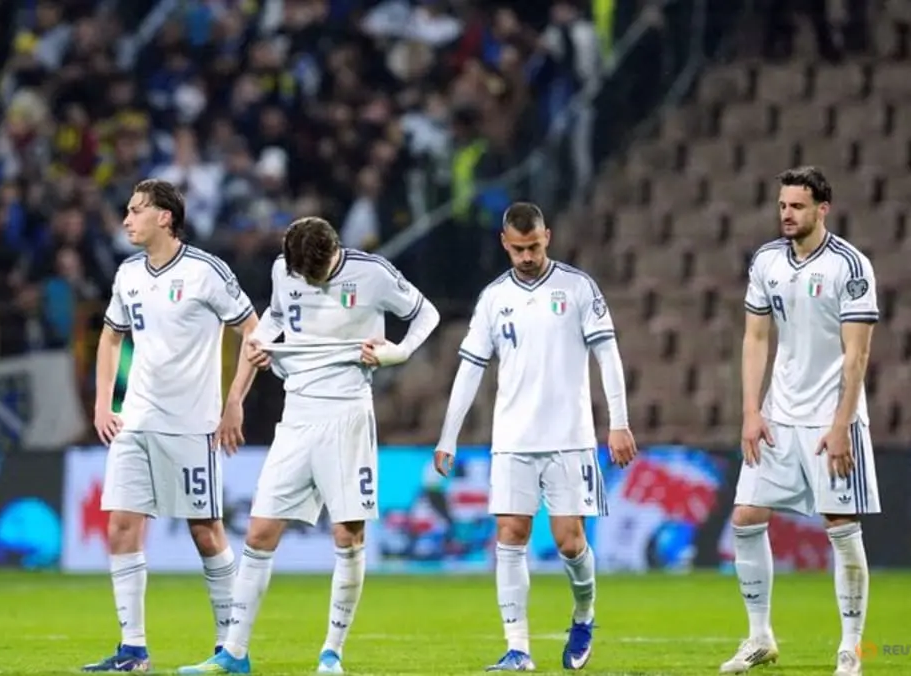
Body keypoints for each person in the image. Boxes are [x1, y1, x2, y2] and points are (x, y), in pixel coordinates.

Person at [178, 217, 440, 675]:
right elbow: (276, 319)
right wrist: (258, 352)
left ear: (333, 252)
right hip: (296, 415)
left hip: (347, 417)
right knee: (259, 533)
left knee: (348, 535)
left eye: (315, 272)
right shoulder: (285, 269)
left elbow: (427, 314)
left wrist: (398, 351)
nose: (308, 279)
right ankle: (234, 654)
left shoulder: (372, 273)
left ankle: (332, 653)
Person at [433, 202, 638, 672]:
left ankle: (584, 615)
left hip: (569, 438)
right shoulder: (493, 298)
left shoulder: (578, 287)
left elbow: (608, 356)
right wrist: (448, 436)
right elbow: (470, 368)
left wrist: (619, 422)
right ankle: (518, 648)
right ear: (504, 244)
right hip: (512, 439)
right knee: (510, 534)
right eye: (518, 249)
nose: (526, 257)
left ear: (548, 236)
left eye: (534, 247)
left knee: (569, 542)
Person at [83, 179, 258, 672]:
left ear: (165, 217)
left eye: (135, 210)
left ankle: (231, 649)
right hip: (135, 420)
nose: (126, 220)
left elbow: (253, 330)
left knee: (206, 531)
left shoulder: (206, 271)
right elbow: (110, 337)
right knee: (121, 526)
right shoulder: (128, 274)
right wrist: (103, 405)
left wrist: (234, 402)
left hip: (190, 425)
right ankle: (133, 650)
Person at [721, 167, 879, 676]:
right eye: (782, 205)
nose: (786, 214)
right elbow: (755, 338)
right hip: (778, 416)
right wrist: (751, 411)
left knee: (841, 526)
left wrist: (842, 424)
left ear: (822, 209)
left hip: (830, 418)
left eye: (797, 206)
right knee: (745, 517)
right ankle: (759, 637)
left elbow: (857, 355)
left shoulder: (849, 266)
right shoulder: (767, 260)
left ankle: (851, 649)